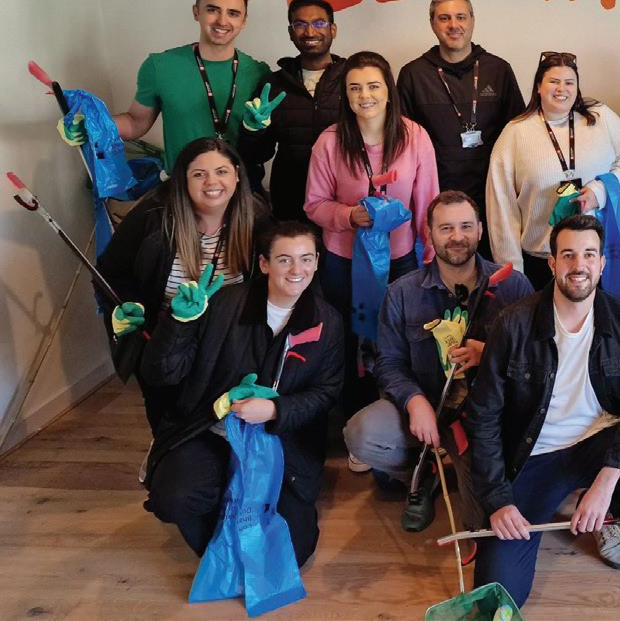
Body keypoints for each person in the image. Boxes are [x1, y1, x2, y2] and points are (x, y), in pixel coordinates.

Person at [464, 215, 620, 606]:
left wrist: (607, 480)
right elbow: (482, 418)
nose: (579, 265)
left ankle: (597, 503)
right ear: (552, 263)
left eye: (589, 254)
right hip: (535, 455)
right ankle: (569, 503)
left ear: (602, 263)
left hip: (600, 442)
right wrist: (498, 501)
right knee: (499, 595)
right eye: (568, 255)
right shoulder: (512, 324)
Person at [141, 221, 343, 567]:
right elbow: (162, 373)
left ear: (317, 262)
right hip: (212, 433)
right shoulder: (223, 304)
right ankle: (221, 550)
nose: (297, 270)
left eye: (306, 259)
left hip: (281, 444)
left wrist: (276, 410)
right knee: (175, 497)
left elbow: (327, 392)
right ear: (264, 264)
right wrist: (179, 323)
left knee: (294, 550)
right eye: (284, 260)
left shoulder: (327, 321)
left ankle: (240, 524)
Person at [344, 190, 533, 527]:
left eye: (466, 226)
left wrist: (490, 354)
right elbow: (388, 362)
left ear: (480, 230)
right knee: (362, 433)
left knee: (483, 521)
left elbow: (536, 358)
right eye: (446, 228)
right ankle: (424, 473)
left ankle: (459, 470)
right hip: (428, 407)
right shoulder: (401, 293)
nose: (457, 237)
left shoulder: (513, 286)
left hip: (485, 422)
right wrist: (414, 401)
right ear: (428, 234)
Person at [99, 137, 271, 431]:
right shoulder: (153, 216)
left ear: (237, 175)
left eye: (221, 171)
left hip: (230, 347)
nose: (211, 182)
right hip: (164, 343)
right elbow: (110, 272)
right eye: (199, 174)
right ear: (183, 180)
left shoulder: (257, 218)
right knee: (168, 426)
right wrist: (124, 307)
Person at [304, 51, 439, 413]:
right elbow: (314, 205)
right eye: (355, 88)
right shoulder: (329, 141)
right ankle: (354, 415)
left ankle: (402, 412)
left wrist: (432, 255)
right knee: (349, 339)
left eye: (374, 86)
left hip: (400, 260)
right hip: (344, 262)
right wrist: (349, 215)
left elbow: (428, 202)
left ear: (389, 91)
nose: (365, 95)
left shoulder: (415, 136)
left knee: (402, 337)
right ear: (346, 95)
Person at [486, 52, 620, 289]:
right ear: (538, 86)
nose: (562, 89)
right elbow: (501, 206)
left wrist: (600, 191)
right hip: (540, 261)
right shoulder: (516, 132)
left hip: (594, 258)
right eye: (554, 81)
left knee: (598, 314)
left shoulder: (600, 117)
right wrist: (512, 272)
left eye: (569, 82)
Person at [397, 0, 526, 257]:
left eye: (461, 17)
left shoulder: (498, 70)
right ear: (432, 23)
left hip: (492, 195)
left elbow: (518, 133)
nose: (454, 25)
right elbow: (404, 143)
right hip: (436, 195)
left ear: (472, 20)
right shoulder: (413, 74)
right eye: (444, 18)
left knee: (492, 270)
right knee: (443, 268)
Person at [110, 0, 270, 171]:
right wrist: (94, 125)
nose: (222, 21)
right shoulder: (160, 66)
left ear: (244, 20)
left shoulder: (259, 74)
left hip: (241, 183)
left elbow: (266, 146)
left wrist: (259, 130)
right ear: (196, 12)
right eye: (212, 10)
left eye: (233, 13)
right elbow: (135, 122)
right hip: (181, 183)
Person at [239, 0, 345, 221]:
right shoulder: (274, 83)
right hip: (290, 200)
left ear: (333, 29)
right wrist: (253, 129)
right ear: (290, 32)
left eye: (319, 23)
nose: (310, 32)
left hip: (343, 198)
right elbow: (257, 155)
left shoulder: (352, 79)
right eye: (300, 24)